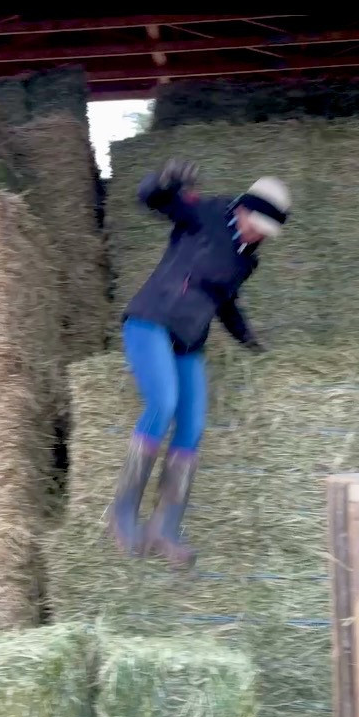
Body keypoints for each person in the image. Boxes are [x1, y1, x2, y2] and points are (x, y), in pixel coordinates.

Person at [107, 158, 291, 570]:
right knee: (163, 403)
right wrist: (162, 181)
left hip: (189, 338)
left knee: (192, 425)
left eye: (265, 231)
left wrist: (250, 341)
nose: (258, 234)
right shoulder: (206, 214)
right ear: (242, 209)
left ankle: (165, 529)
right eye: (257, 224)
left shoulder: (247, 259)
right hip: (151, 320)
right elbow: (154, 200)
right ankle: (122, 515)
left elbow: (225, 303)